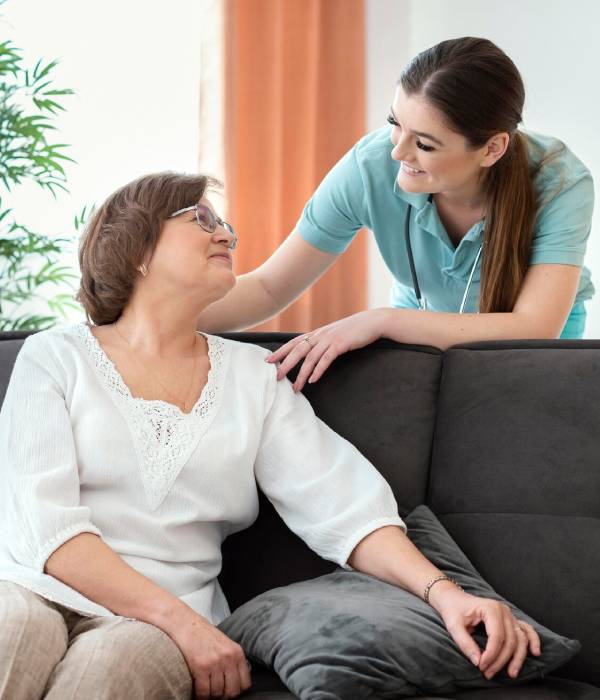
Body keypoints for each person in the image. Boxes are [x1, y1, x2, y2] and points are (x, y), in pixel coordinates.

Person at [0, 173, 541, 700]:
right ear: (135, 246)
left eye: (226, 224)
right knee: (11, 634)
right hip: (33, 587)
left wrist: (446, 596)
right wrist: (188, 627)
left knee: (105, 672)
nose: (226, 235)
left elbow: (343, 508)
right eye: (202, 219)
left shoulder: (255, 374)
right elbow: (48, 531)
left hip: (159, 624)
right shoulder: (55, 356)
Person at [195, 37, 595, 393]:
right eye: (394, 124)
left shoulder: (559, 182)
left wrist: (384, 321)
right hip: (419, 316)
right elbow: (269, 287)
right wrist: (157, 316)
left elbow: (534, 327)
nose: (398, 153)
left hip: (528, 331)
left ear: (492, 149)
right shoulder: (369, 168)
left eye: (424, 143)